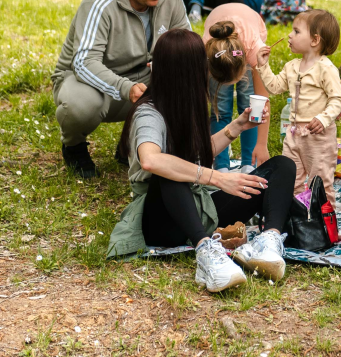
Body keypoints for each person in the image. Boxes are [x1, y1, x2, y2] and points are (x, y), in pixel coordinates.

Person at [109, 28, 296, 292]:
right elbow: (151, 161)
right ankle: (206, 252)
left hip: (200, 206)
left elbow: (197, 154)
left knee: (282, 166)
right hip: (161, 219)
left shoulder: (187, 103)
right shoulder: (149, 113)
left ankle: (269, 243)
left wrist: (236, 127)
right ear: (189, 71)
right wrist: (217, 177)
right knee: (170, 169)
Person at [53, 0, 191, 177]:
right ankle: (73, 146)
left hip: (143, 80)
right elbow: (84, 63)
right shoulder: (100, 1)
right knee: (82, 106)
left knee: (192, 78)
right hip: (88, 81)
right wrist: (125, 87)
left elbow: (186, 45)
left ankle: (132, 143)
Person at [257, 9, 341, 208]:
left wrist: (323, 119)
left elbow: (337, 100)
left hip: (318, 136)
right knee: (291, 179)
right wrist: (263, 66)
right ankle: (296, 219)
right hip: (293, 133)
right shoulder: (292, 66)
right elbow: (275, 86)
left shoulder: (326, 68)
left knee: (320, 182)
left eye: (296, 31)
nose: (289, 35)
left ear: (314, 40)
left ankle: (323, 225)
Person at [203, 6, 272, 172]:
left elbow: (262, 101)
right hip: (220, 24)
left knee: (250, 106)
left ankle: (249, 163)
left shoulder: (255, 50)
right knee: (219, 110)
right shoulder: (206, 50)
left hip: (249, 32)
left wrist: (262, 145)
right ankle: (220, 165)